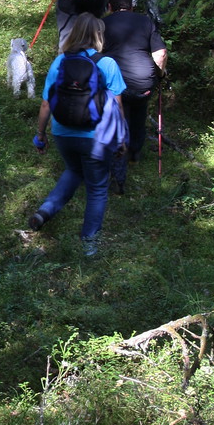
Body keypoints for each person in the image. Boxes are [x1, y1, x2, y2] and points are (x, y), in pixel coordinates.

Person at [27, 13, 126, 257]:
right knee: (97, 189)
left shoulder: (60, 62)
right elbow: (118, 107)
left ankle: (45, 211)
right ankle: (89, 242)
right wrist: (121, 139)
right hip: (96, 137)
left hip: (63, 133)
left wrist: (41, 134)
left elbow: (46, 105)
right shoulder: (107, 64)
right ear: (99, 35)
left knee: (74, 170)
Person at [102, 0, 168, 190]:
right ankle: (135, 153)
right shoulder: (145, 21)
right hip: (143, 83)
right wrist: (160, 75)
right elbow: (161, 54)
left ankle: (118, 173)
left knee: (119, 122)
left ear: (110, 7)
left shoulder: (103, 24)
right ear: (131, 7)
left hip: (116, 84)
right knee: (138, 113)